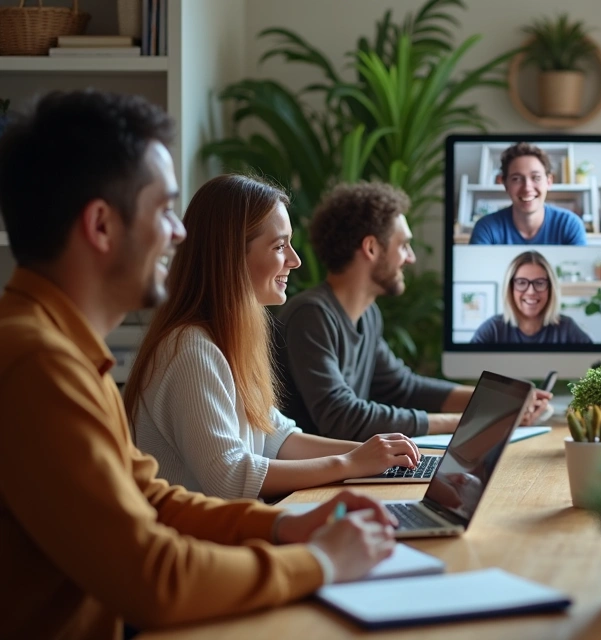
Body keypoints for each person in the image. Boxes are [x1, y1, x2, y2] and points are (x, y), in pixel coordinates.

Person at [0, 90, 398, 639]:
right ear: (101, 225)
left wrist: (287, 523)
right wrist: (321, 562)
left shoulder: (61, 351)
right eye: (164, 210)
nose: (181, 234)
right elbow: (152, 576)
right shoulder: (37, 364)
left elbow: (155, 501)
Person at [124, 175, 423, 500]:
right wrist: (349, 463)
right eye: (280, 246)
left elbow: (278, 439)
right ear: (232, 255)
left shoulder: (229, 338)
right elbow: (230, 476)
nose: (294, 260)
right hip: (199, 544)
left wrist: (380, 456)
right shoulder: (190, 350)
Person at [275, 182, 551, 441]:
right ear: (371, 248)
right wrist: (472, 422)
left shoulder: (367, 316)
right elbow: (342, 418)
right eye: (403, 245)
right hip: (309, 488)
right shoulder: (311, 316)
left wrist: (504, 400)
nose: (411, 257)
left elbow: (404, 388)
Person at [468, 142, 587, 245]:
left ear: (549, 182)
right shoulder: (486, 228)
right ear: (505, 184)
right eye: (516, 179)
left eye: (536, 177)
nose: (527, 188)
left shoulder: (569, 224)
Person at [470, 250, 594, 344]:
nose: (531, 291)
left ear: (550, 288)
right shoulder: (493, 329)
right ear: (510, 288)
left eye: (539, 283)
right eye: (521, 283)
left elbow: (597, 369)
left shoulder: (567, 328)